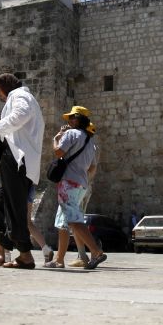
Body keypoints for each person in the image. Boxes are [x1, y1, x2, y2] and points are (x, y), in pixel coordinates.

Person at [0, 73, 44, 270]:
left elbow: (21, 114)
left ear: (4, 88)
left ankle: (25, 255)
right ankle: (0, 251)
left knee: (14, 208)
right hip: (19, 160)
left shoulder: (19, 97)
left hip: (18, 161)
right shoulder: (21, 96)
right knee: (0, 203)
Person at [44, 106, 106, 270]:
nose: (70, 121)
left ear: (80, 119)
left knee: (73, 220)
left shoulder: (70, 134)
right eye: (69, 118)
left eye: (73, 118)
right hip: (81, 184)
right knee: (63, 223)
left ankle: (96, 251)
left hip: (68, 183)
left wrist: (56, 139)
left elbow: (58, 152)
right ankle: (59, 260)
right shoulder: (90, 141)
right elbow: (91, 168)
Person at [68, 122, 98, 268]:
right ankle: (84, 254)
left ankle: (84, 255)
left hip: (78, 185)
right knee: (77, 221)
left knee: (75, 221)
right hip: (85, 186)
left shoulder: (87, 145)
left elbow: (92, 167)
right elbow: (93, 168)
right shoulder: (92, 145)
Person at [26, 185, 54, 264]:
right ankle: (46, 249)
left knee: (11, 220)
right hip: (30, 186)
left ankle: (5, 254)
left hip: (22, 186)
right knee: (28, 222)